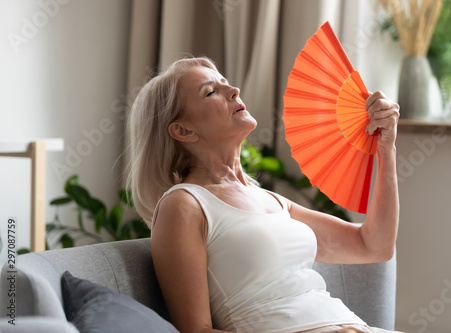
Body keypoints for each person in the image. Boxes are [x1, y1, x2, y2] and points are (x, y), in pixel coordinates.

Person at [127, 57, 401, 333]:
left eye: (226, 83)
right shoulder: (185, 205)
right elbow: (196, 331)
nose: (233, 90)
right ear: (183, 130)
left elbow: (373, 246)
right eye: (211, 92)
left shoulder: (270, 200)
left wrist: (386, 149)